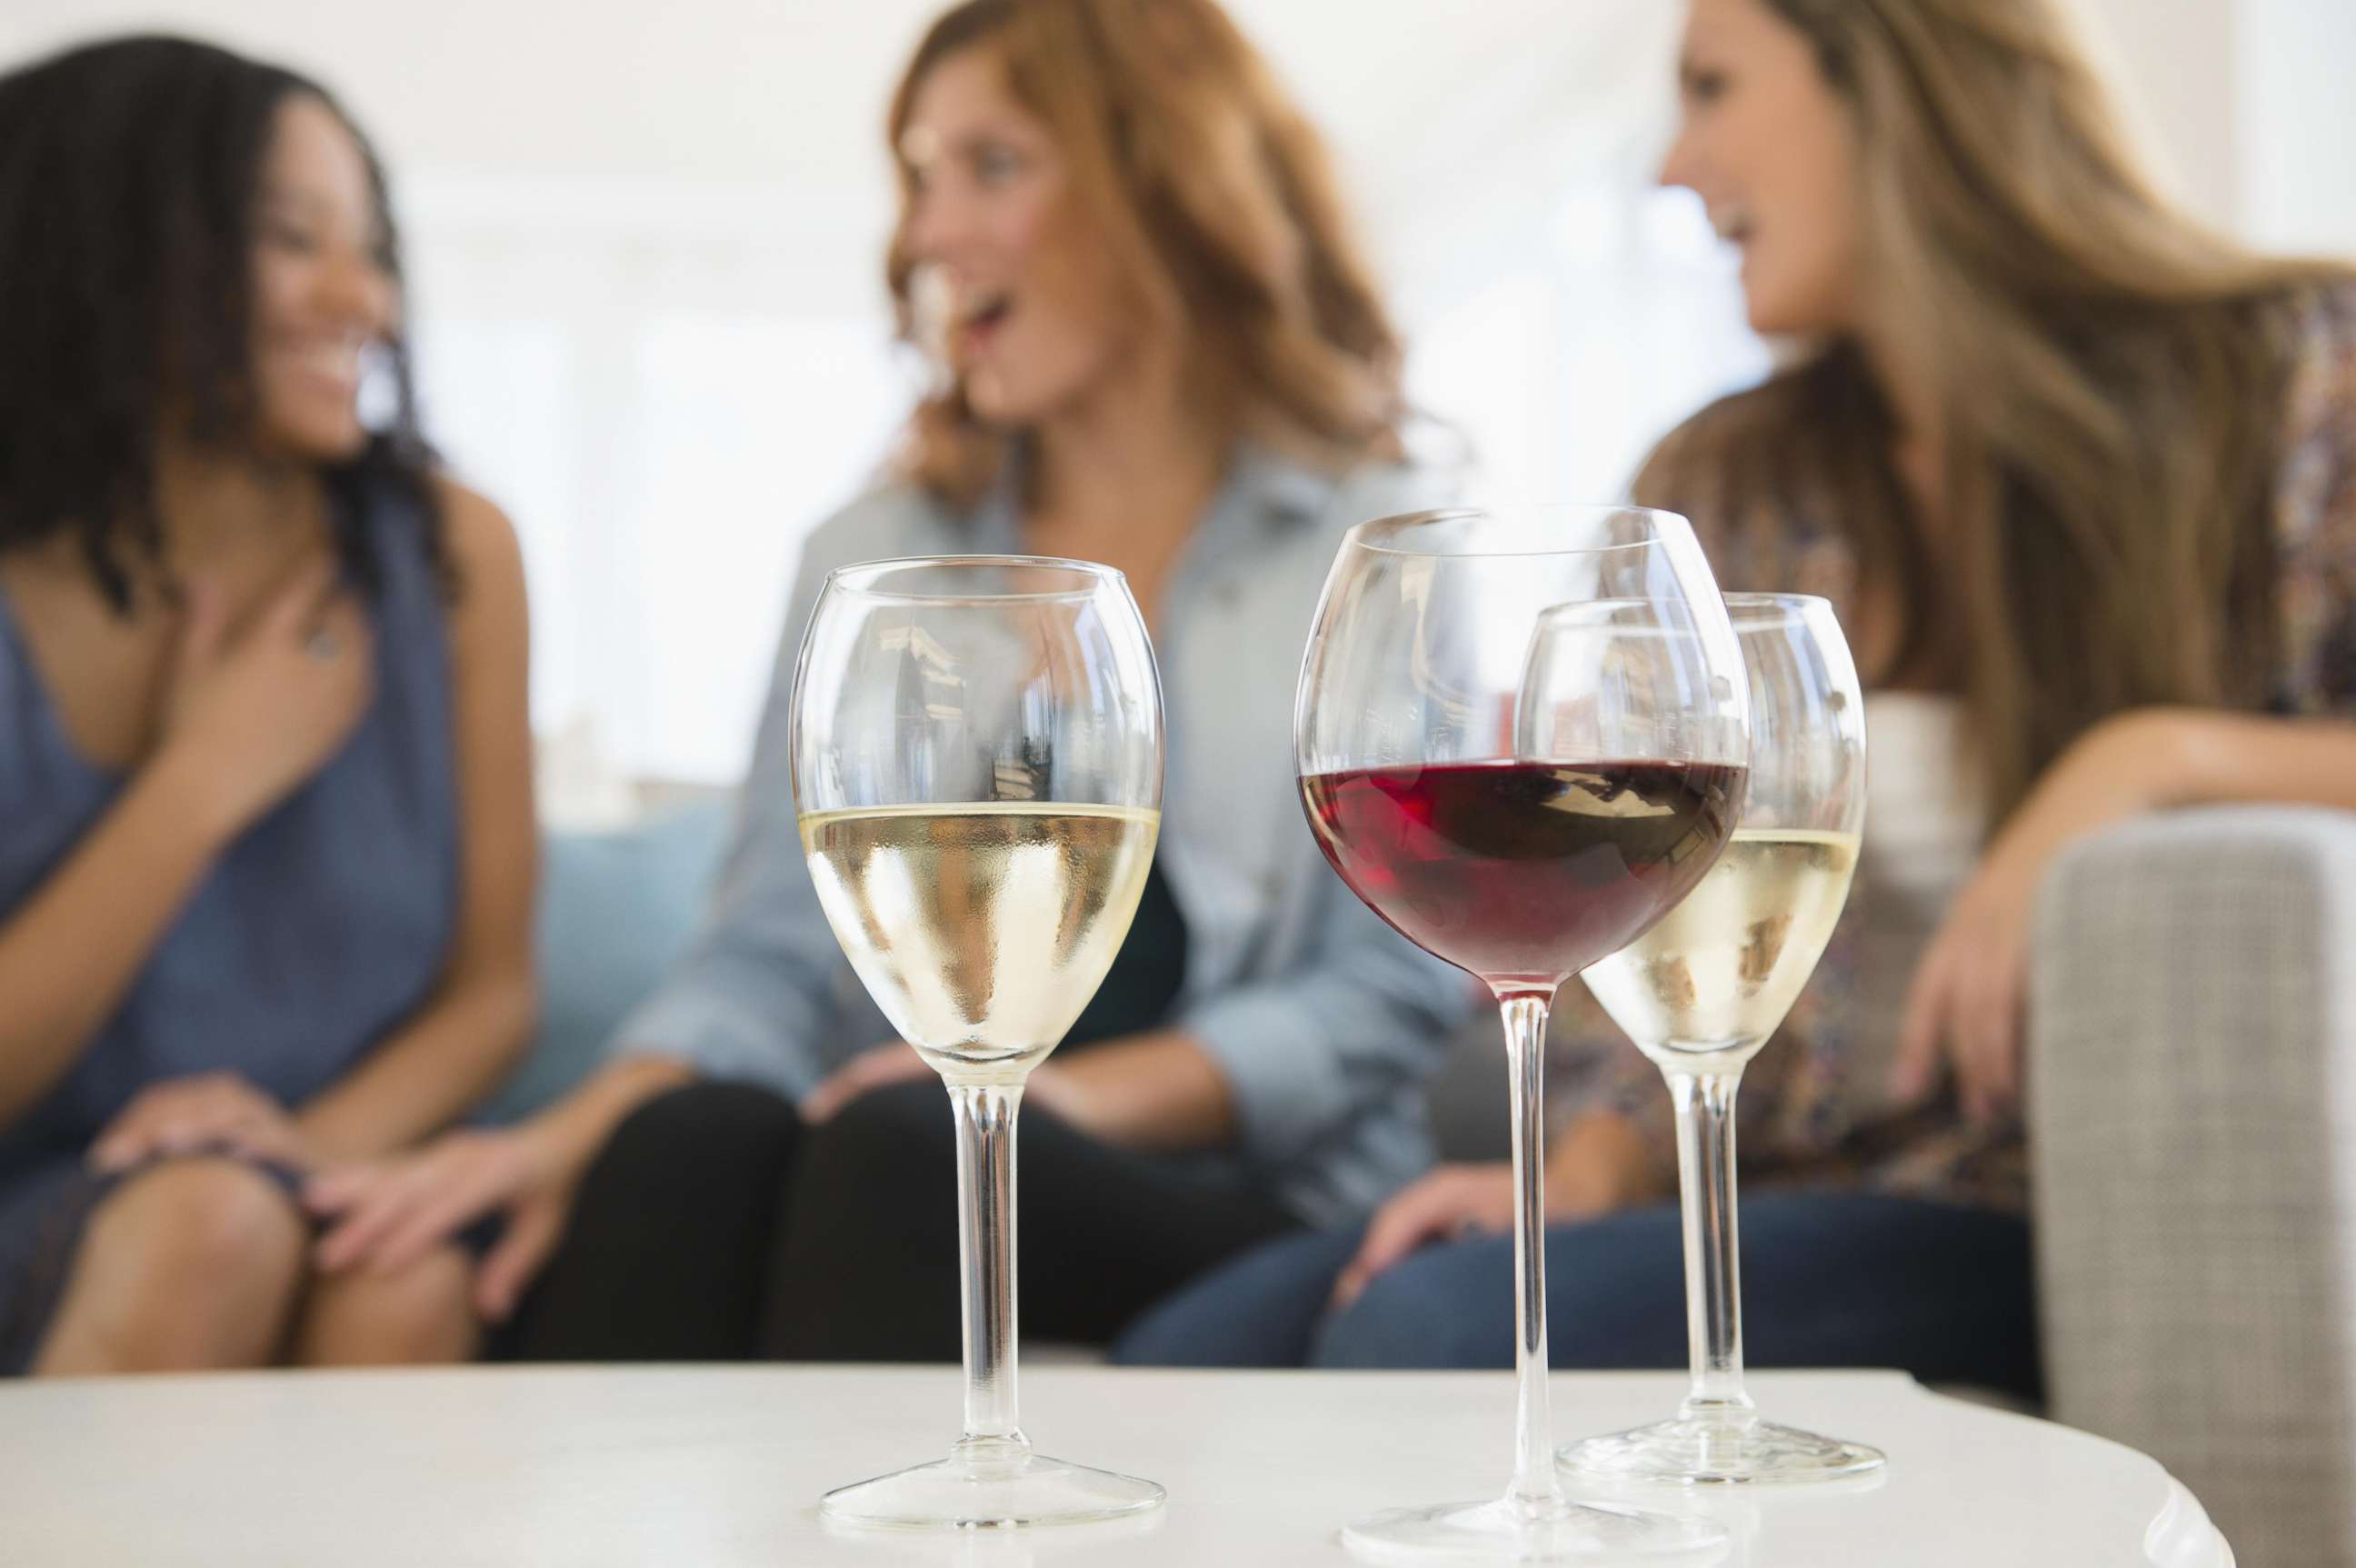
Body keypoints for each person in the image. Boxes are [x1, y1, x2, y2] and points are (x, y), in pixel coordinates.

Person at [1112, 0, 2356, 1393]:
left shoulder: (2294, 371)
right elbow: (1619, 872)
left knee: (1426, 1341)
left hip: (2027, 1203)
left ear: (1892, 78)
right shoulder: (1728, 483)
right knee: (1188, 1359)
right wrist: (1579, 1175)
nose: (1672, 167)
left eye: (1713, 87)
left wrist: (2147, 759)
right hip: (1741, 1169)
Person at [305, 0, 1469, 1361]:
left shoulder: (1371, 546)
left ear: (1164, 181)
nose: (925, 236)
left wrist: (1047, 1104)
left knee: (904, 1153)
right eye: (918, 180)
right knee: (686, 1145)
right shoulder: (870, 558)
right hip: (898, 1124)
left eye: (991, 166)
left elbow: (1383, 996)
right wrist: (578, 1126)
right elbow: (769, 953)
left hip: (1242, 1191)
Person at [0, 37, 537, 1375]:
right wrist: (201, 782)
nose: (367, 301)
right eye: (294, 241)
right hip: (62, 1225)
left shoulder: (451, 558)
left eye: (372, 248)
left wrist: (289, 1152)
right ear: (104, 257)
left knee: (395, 1274)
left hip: (322, 1157)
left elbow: (492, 994)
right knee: (205, 1225)